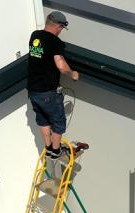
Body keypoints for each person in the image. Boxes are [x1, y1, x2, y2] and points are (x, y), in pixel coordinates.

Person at [27, 11, 79, 159]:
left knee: (42, 119)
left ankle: (49, 147)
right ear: (58, 26)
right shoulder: (55, 42)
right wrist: (73, 74)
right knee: (58, 121)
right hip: (47, 92)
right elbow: (61, 65)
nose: (61, 31)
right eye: (61, 28)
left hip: (33, 90)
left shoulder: (34, 35)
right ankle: (56, 151)